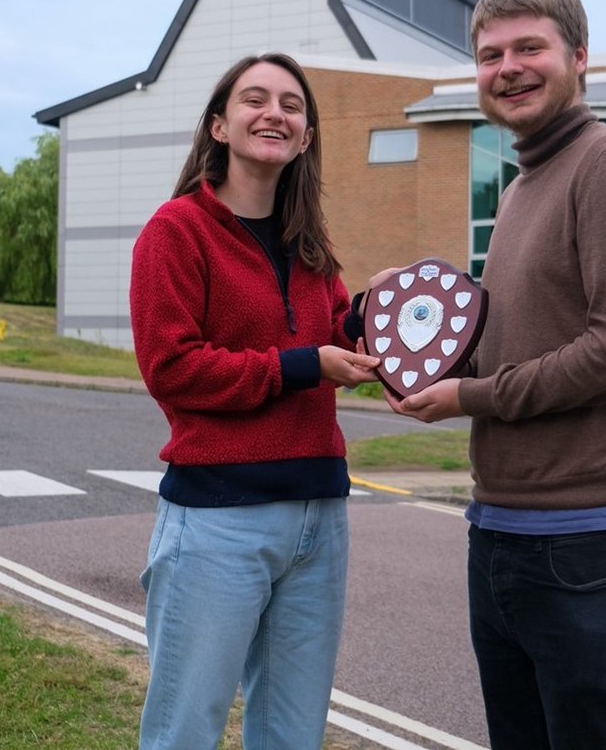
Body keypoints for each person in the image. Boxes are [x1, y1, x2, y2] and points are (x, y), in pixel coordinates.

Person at [385, 0, 606, 749]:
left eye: (528, 48)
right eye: (489, 55)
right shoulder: (519, 190)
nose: (507, 67)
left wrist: (471, 396)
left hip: (589, 541)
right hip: (500, 531)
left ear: (579, 58)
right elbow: (508, 336)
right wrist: (406, 321)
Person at [129, 52, 379, 750]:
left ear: (305, 137)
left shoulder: (310, 246)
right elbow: (173, 368)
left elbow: (336, 339)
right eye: (255, 99)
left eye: (292, 105)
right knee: (184, 732)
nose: (275, 112)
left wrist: (381, 308)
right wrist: (304, 366)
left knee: (292, 737)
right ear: (219, 125)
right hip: (216, 521)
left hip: (318, 520)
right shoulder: (175, 232)